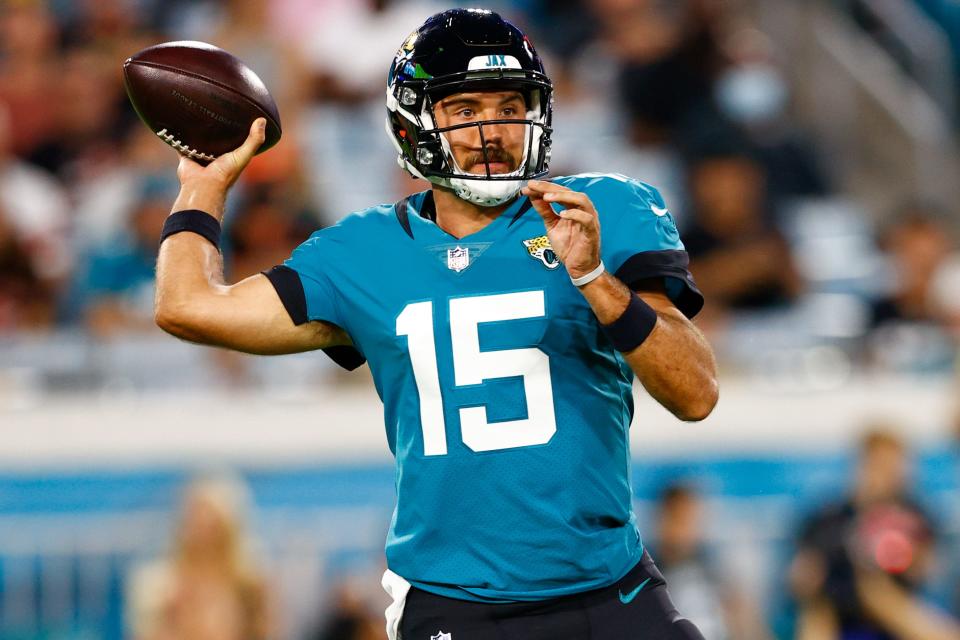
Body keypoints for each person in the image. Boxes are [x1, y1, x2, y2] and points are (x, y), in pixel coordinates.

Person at [153, 9, 718, 639]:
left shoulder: (601, 210)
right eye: (466, 108)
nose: (494, 128)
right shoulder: (362, 253)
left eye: (510, 105)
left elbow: (696, 394)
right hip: (457, 606)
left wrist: (595, 281)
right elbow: (188, 306)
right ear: (412, 124)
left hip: (607, 590)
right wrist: (202, 188)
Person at [789, 428, 960, 640]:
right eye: (882, 466)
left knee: (877, 591)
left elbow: (925, 570)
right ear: (864, 465)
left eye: (895, 467)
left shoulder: (915, 516)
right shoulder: (828, 517)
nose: (890, 475)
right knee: (817, 610)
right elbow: (802, 577)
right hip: (832, 604)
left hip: (889, 599)